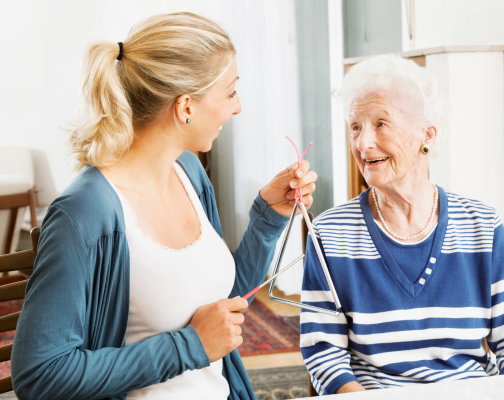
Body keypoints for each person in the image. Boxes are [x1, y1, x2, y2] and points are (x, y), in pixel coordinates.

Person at [11, 12, 317, 400]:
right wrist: (190, 346)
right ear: (186, 106)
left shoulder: (189, 171)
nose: (237, 107)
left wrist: (270, 216)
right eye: (230, 92)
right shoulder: (85, 213)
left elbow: (221, 311)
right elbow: (40, 375)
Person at [299, 54, 504, 395]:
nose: (363, 143)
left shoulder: (480, 225)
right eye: (356, 126)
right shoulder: (330, 233)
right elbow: (323, 352)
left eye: (381, 123)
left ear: (426, 134)